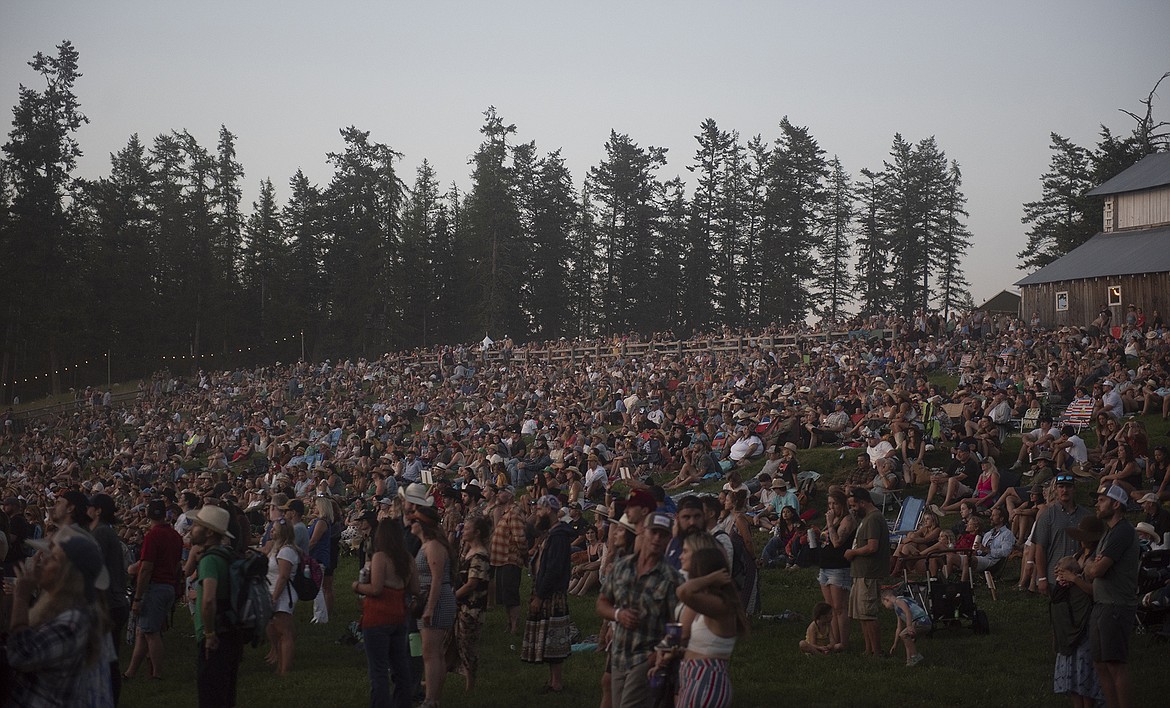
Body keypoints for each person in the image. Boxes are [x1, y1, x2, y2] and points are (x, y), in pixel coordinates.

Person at [7, 525, 115, 708]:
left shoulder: (75, 620)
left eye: (52, 558)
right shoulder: (62, 609)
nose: (42, 561)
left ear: (67, 573)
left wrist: (20, 598)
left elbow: (21, 654)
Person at [597, 512, 683, 708]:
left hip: (645, 657)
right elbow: (602, 603)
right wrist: (618, 615)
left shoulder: (672, 579)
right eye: (653, 533)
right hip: (619, 654)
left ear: (670, 539)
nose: (657, 539)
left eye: (663, 535)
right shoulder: (623, 567)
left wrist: (657, 655)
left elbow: (677, 625)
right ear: (643, 533)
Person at [1082, 485, 1141, 708]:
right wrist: (1091, 565)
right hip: (1102, 603)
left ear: (1116, 504)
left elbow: (1096, 570)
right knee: (1100, 663)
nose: (1097, 504)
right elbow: (1091, 564)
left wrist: (1091, 566)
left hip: (1116, 605)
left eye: (1102, 500)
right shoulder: (1108, 532)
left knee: (1115, 664)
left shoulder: (1123, 531)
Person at [674, 535, 748, 708]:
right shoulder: (710, 601)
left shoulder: (721, 605)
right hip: (695, 676)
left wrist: (709, 578)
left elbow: (683, 592)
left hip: (706, 679)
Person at [354, 514, 416, 708]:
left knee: (379, 670)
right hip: (399, 615)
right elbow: (416, 589)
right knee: (400, 667)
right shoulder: (407, 558)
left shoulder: (380, 557)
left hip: (378, 617)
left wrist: (356, 586)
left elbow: (376, 589)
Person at [188, 505, 243, 708]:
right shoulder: (226, 555)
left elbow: (209, 599)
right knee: (226, 694)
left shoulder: (210, 559)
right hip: (230, 631)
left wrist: (209, 634)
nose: (192, 528)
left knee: (211, 696)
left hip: (215, 635)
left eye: (197, 525)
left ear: (209, 532)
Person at [1051, 516, 1107, 708]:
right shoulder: (1077, 556)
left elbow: (1095, 591)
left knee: (1086, 668)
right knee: (1072, 669)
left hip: (1088, 618)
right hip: (1071, 617)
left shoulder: (1095, 560)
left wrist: (1074, 578)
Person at [125, 498, 183, 680]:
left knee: (151, 632)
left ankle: (157, 674)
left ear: (148, 514)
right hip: (169, 587)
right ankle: (130, 673)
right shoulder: (175, 535)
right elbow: (176, 565)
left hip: (155, 587)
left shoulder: (152, 536)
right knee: (143, 631)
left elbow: (146, 568)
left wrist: (138, 598)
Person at [521, 495, 574, 693]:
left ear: (549, 511)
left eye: (540, 510)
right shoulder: (551, 534)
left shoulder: (559, 536)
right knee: (548, 640)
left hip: (552, 595)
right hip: (545, 592)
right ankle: (552, 681)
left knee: (553, 640)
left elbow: (553, 568)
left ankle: (557, 683)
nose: (537, 514)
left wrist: (541, 595)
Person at [410, 504, 457, 708]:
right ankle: (433, 696)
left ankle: (431, 699)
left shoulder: (434, 546)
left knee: (431, 653)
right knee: (433, 652)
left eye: (414, 521)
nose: (411, 523)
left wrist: (429, 607)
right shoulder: (426, 544)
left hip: (435, 600)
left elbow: (437, 579)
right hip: (430, 598)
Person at [843, 485, 888, 657]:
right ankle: (868, 649)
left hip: (869, 573)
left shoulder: (874, 519)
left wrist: (852, 552)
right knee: (861, 614)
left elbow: (872, 547)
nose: (853, 510)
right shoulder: (866, 518)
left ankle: (877, 651)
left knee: (869, 614)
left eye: (854, 506)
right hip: (860, 572)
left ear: (863, 502)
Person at [1034, 473, 1092, 597]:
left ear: (1074, 489)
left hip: (1079, 576)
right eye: (1061, 487)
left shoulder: (1086, 516)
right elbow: (1040, 548)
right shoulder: (1047, 515)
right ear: (1055, 489)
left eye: (1068, 487)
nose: (1064, 490)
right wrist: (1042, 578)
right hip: (1055, 577)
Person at [450, 515, 491, 692]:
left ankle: (470, 686)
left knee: (468, 647)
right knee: (455, 644)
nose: (463, 531)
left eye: (467, 529)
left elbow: (472, 583)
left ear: (477, 533)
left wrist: (452, 597)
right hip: (461, 606)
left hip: (471, 608)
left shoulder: (480, 555)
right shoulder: (469, 551)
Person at [816, 488, 855, 651]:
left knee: (840, 608)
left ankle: (843, 643)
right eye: (829, 504)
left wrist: (830, 524)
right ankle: (834, 640)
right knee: (829, 607)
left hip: (839, 568)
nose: (832, 507)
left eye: (835, 504)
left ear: (842, 504)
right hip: (825, 566)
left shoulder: (847, 519)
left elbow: (837, 542)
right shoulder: (833, 518)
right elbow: (826, 538)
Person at [488, 489, 526, 634]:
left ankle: (515, 625)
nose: (497, 494)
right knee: (504, 595)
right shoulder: (505, 512)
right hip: (501, 560)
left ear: (510, 495)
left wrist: (523, 556)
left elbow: (520, 538)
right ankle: (509, 623)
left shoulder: (514, 513)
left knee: (511, 593)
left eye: (501, 491)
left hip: (510, 558)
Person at [265, 519, 299, 675]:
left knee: (284, 631)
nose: (271, 531)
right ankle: (279, 664)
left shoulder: (286, 551)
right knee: (274, 629)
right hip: (273, 591)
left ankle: (285, 670)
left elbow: (283, 576)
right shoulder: (275, 548)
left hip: (283, 594)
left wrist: (275, 598)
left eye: (274, 529)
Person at [881, 588, 930, 666]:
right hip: (917, 622)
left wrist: (909, 626)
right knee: (906, 638)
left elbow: (908, 612)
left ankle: (915, 656)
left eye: (884, 604)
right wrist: (895, 644)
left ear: (886, 599)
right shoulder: (897, 609)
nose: (886, 607)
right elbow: (899, 627)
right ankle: (909, 661)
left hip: (921, 621)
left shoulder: (898, 601)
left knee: (904, 635)